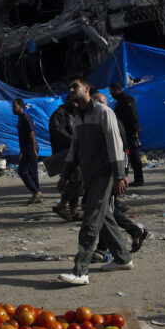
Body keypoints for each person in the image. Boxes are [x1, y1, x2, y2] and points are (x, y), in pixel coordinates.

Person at [56, 77, 132, 286]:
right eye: (69, 87)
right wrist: (65, 174)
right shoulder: (78, 117)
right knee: (104, 217)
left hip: (104, 174)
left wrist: (119, 176)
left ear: (87, 88)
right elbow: (75, 149)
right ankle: (123, 258)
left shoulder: (103, 112)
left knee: (90, 219)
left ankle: (81, 271)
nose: (71, 90)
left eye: (75, 86)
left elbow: (115, 144)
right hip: (89, 175)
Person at [90, 91, 148, 253]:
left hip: (110, 174)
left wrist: (121, 175)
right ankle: (133, 231)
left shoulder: (114, 122)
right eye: (94, 103)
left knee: (104, 210)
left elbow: (123, 150)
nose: (96, 107)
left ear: (106, 104)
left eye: (100, 103)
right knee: (108, 209)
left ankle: (103, 249)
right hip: (99, 173)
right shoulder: (95, 122)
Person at [48, 98, 81, 221]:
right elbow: (58, 132)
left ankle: (74, 211)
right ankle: (61, 205)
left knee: (77, 181)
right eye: (75, 102)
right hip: (63, 154)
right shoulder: (58, 115)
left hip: (73, 152)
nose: (77, 105)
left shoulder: (74, 114)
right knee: (77, 177)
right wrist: (74, 140)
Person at [108, 83, 144, 186]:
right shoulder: (121, 100)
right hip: (126, 132)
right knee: (131, 156)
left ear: (116, 89)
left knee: (133, 156)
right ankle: (137, 179)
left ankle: (138, 179)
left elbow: (132, 115)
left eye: (111, 91)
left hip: (130, 133)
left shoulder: (126, 100)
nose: (110, 94)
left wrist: (134, 131)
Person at [12, 99, 41, 204]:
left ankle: (36, 192)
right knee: (32, 172)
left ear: (21, 106)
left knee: (22, 170)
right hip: (26, 149)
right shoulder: (20, 118)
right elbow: (22, 137)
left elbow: (32, 133)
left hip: (30, 148)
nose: (12, 109)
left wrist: (33, 150)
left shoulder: (25, 117)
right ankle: (37, 195)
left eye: (14, 106)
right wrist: (21, 151)